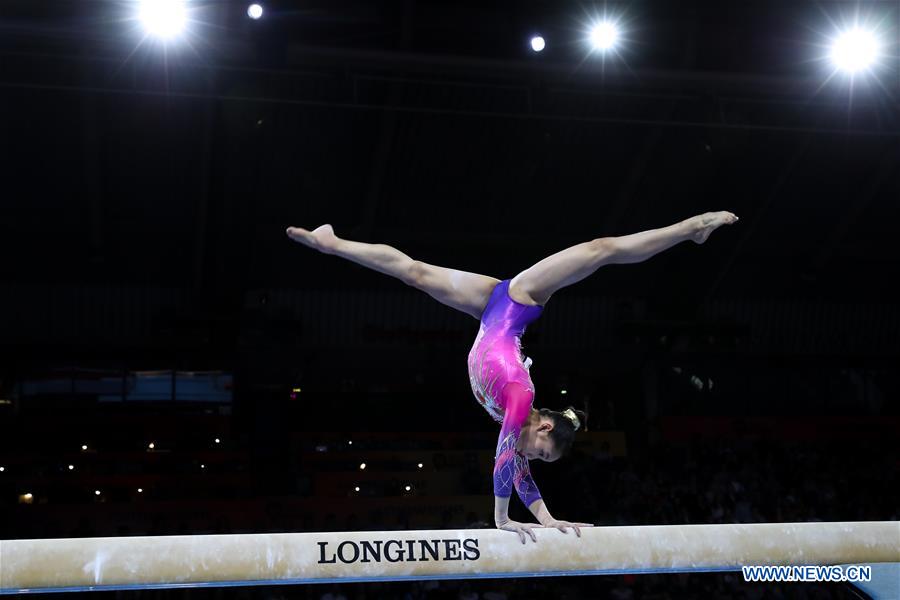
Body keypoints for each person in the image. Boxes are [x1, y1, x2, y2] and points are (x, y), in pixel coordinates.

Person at [286, 211, 738, 544]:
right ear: (542, 426)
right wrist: (501, 519)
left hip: (489, 310)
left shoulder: (518, 418)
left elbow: (516, 468)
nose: (531, 457)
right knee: (602, 250)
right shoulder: (520, 400)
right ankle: (690, 229)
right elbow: (506, 461)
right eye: (541, 451)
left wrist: (547, 519)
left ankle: (332, 243)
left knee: (415, 273)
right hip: (519, 299)